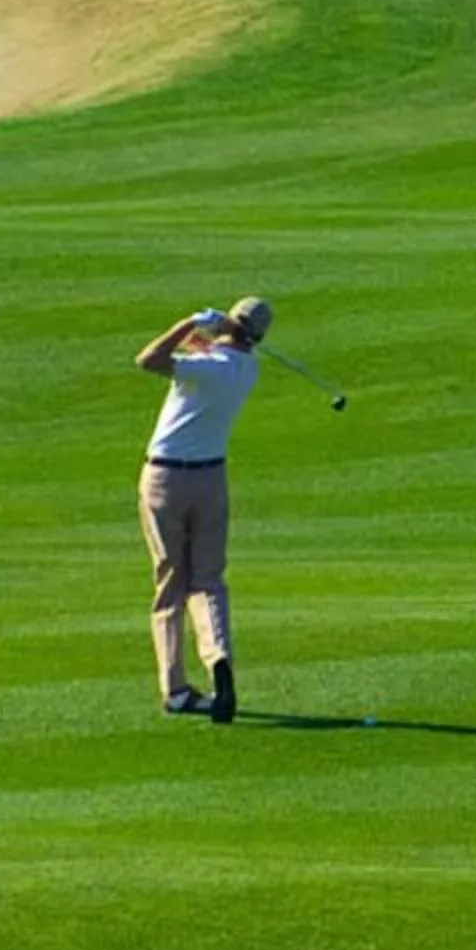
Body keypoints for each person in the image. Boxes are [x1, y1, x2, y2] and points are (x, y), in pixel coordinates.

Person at [134, 295, 270, 721]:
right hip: (211, 479)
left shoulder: (206, 367)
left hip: (166, 480)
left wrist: (189, 321)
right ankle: (219, 661)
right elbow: (202, 352)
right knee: (208, 581)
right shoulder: (247, 368)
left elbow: (148, 360)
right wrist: (212, 332)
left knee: (170, 583)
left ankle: (176, 690)